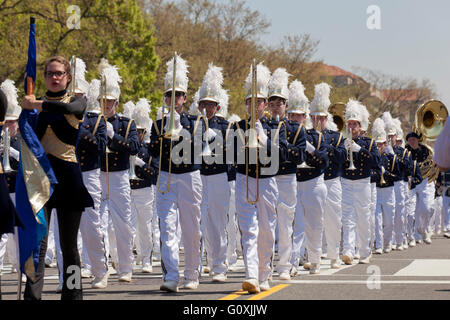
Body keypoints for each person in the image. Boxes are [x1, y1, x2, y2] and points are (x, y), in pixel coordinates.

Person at [20, 55, 94, 300]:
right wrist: (27, 109)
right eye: (50, 73)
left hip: (68, 181)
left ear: (68, 77)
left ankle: (73, 296)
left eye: (59, 73)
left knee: (69, 247)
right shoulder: (31, 106)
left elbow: (67, 109)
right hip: (40, 180)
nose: (54, 77)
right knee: (37, 246)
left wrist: (36, 104)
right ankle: (32, 296)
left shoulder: (77, 101)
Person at [150, 54, 205, 292]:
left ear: (185, 98)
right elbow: (152, 149)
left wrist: (181, 132)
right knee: (168, 226)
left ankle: (192, 273)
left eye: (178, 95)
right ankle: (171, 275)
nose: (174, 99)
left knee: (191, 227)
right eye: (169, 95)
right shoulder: (157, 124)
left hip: (189, 176)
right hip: (166, 175)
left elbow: (201, 148)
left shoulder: (196, 122)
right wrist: (165, 133)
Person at [232, 62, 288, 293]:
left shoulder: (276, 126)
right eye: (249, 102)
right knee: (249, 230)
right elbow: (230, 154)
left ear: (265, 104)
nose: (254, 106)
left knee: (266, 231)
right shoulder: (236, 126)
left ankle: (264, 273)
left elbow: (283, 155)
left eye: (258, 102)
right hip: (245, 179)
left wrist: (263, 138)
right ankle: (251, 274)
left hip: (266, 181)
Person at [98, 61, 140, 283]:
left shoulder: (127, 123)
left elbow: (134, 148)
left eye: (110, 101)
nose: (106, 105)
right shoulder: (92, 122)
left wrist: (114, 137)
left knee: (123, 223)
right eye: (103, 101)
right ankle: (102, 267)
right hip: (98, 175)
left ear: (116, 102)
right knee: (98, 224)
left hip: (119, 175)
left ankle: (125, 267)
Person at [268, 70, 306, 280]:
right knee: (267, 223)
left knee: (285, 222)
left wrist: (282, 146)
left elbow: (299, 155)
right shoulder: (263, 126)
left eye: (279, 103)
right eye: (272, 103)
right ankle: (265, 266)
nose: (275, 107)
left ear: (286, 106)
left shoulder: (295, 129)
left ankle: (285, 265)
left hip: (287, 177)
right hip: (267, 177)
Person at [75, 69, 110, 289]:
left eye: (79, 96)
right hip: (64, 174)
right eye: (72, 96)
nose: (75, 100)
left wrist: (79, 130)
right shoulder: (57, 118)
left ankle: (99, 270)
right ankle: (67, 278)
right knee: (64, 229)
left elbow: (101, 146)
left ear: (86, 99)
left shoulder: (96, 121)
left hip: (89, 174)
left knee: (90, 224)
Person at [196, 63, 230, 283]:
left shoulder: (226, 126)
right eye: (204, 104)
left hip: (218, 176)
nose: (207, 108)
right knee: (197, 223)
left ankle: (219, 266)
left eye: (211, 105)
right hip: (198, 176)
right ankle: (197, 266)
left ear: (217, 107)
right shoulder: (193, 124)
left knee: (218, 223)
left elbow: (231, 153)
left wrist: (216, 141)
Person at [292, 83, 329, 274]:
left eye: (298, 115)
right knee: (295, 226)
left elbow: (325, 161)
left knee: (314, 225)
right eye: (291, 115)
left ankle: (314, 259)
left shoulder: (317, 137)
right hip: (294, 183)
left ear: (305, 117)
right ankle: (293, 261)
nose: (294, 118)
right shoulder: (287, 134)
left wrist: (310, 149)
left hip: (314, 182)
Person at [341, 99, 379, 265]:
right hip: (346, 181)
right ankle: (348, 250)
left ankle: (364, 250)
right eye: (349, 124)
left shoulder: (369, 143)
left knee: (363, 217)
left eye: (354, 124)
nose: (351, 127)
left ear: (360, 126)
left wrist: (359, 150)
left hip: (363, 182)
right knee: (347, 217)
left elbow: (376, 162)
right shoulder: (342, 141)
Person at [313, 84, 347, 270]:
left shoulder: (336, 137)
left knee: (334, 220)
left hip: (332, 180)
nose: (318, 120)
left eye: (321, 117)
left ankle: (334, 255)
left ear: (326, 119)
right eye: (315, 117)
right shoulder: (307, 135)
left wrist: (326, 149)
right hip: (313, 180)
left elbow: (342, 156)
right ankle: (313, 255)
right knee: (314, 220)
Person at [127, 98, 158, 274]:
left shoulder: (148, 150)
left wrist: (141, 164)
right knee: (128, 228)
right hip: (129, 189)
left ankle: (146, 259)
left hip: (145, 190)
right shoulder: (128, 147)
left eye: (139, 131)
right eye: (134, 130)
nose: (137, 134)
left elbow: (154, 173)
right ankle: (130, 259)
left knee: (145, 227)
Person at [372, 118, 400, 254]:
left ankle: (387, 243)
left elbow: (398, 176)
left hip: (389, 189)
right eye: (376, 144)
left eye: (381, 144)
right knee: (376, 220)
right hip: (376, 189)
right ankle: (378, 244)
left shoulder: (391, 158)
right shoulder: (373, 158)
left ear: (385, 144)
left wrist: (385, 172)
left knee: (389, 221)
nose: (379, 147)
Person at [405, 131, 435, 244]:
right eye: (410, 140)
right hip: (411, 182)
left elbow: (432, 163)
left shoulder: (425, 150)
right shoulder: (406, 150)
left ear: (418, 140)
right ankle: (416, 234)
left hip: (424, 182)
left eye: (414, 139)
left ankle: (424, 228)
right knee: (413, 210)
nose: (412, 142)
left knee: (427, 208)